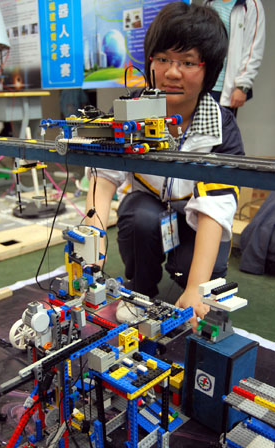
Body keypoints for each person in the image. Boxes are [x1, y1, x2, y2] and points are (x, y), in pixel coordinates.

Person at [85, 2, 244, 330]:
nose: (173, 72)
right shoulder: (132, 111)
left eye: (188, 62)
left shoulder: (222, 127)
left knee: (196, 276)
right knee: (136, 213)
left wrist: (195, 289)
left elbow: (215, 209)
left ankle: (190, 277)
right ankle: (140, 290)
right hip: (151, 214)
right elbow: (103, 179)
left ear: (209, 69)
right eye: (163, 59)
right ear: (150, 62)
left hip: (197, 222)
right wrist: (91, 243)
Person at [204, 0, 265, 115]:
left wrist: (243, 86)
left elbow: (254, 48)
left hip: (225, 88)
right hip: (203, 84)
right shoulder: (210, 3)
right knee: (198, 131)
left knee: (223, 131)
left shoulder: (250, 4)